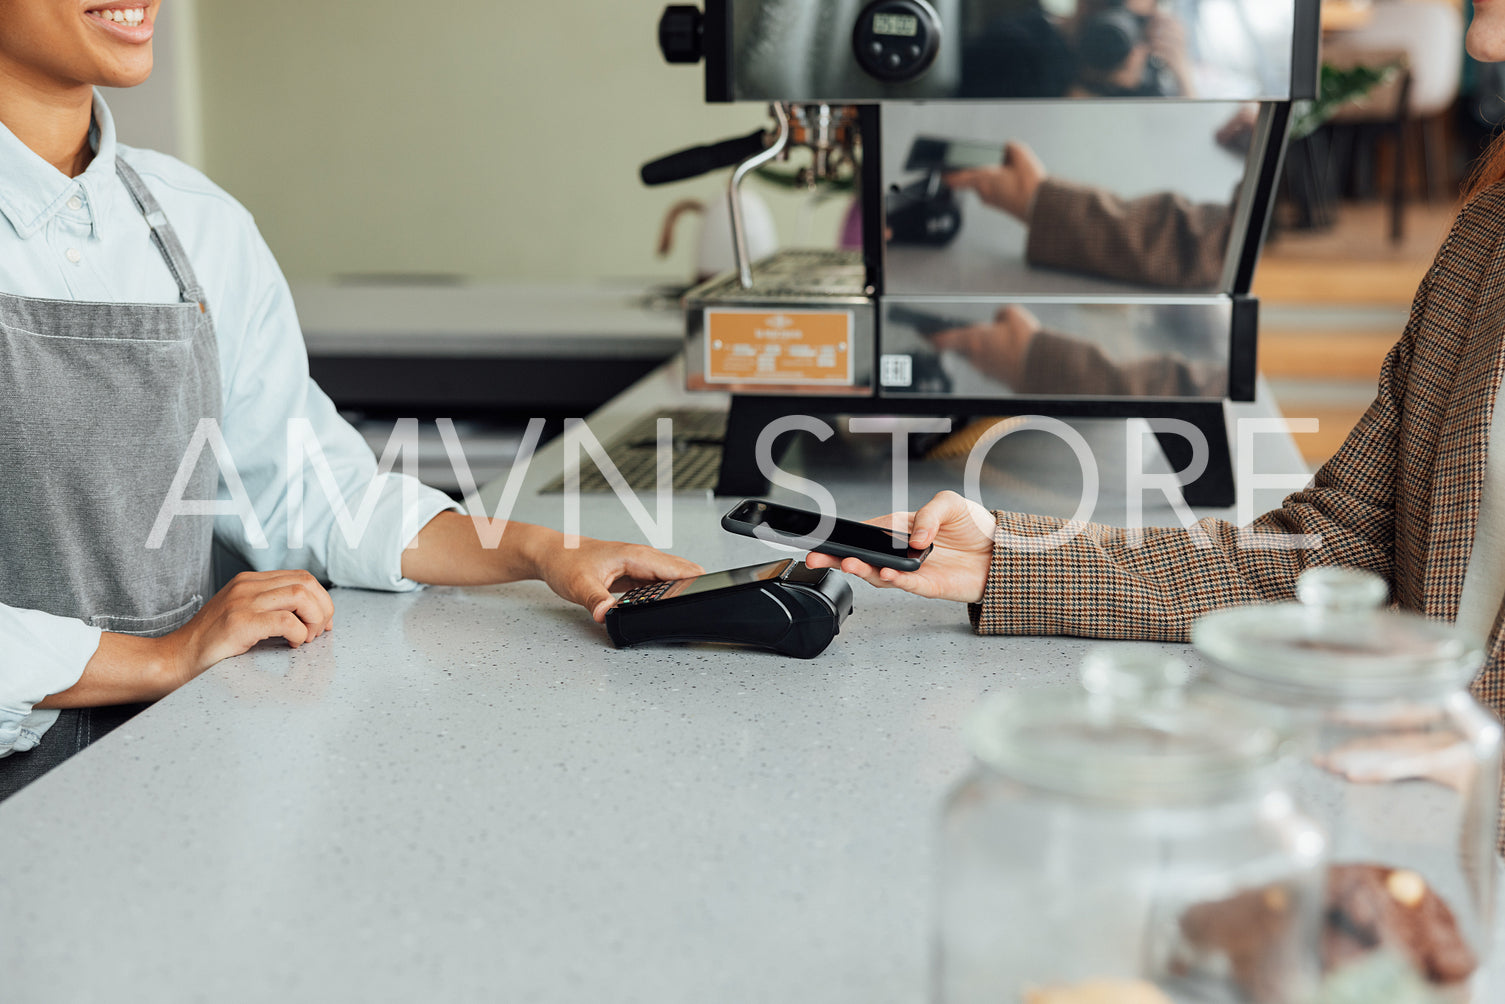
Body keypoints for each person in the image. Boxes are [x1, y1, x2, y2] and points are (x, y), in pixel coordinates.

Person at [0, 0, 702, 795]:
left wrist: (541, 551)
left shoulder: (197, 224)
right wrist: (159, 657)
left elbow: (306, 490)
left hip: (166, 774)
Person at [808, 7, 1505, 728]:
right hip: (1421, 811)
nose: (1480, 42)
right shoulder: (1484, 243)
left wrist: (1466, 779)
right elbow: (1329, 547)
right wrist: (1004, 560)